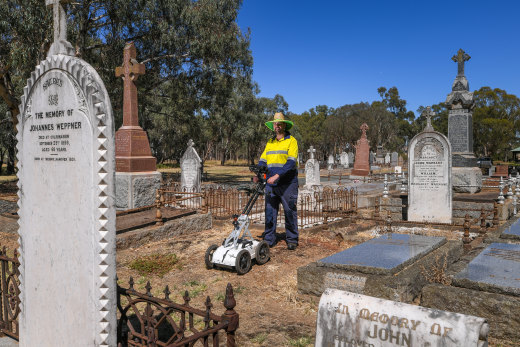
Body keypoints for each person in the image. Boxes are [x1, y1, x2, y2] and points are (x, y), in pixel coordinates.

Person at [256, 112, 299, 250]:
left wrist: (278, 176)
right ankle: (269, 239)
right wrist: (258, 172)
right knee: (270, 212)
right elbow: (263, 160)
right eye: (275, 124)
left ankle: (292, 239)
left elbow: (291, 162)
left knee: (289, 211)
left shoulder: (291, 141)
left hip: (288, 183)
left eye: (279, 124)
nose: (277, 126)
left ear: (284, 125)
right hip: (271, 184)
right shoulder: (270, 142)